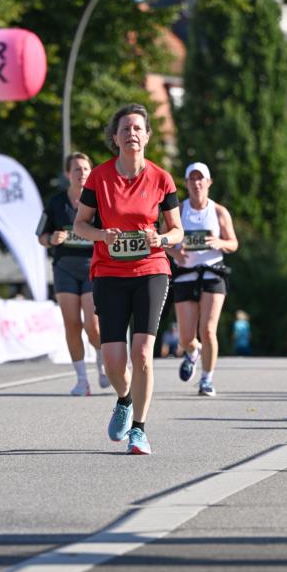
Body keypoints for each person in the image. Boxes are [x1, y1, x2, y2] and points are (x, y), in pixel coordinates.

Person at [73, 103, 183, 454]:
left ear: (147, 136)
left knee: (143, 353)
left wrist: (162, 240)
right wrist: (101, 235)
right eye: (125, 129)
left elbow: (177, 230)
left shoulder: (161, 179)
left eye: (138, 128)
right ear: (115, 139)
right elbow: (80, 224)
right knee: (114, 360)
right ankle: (123, 398)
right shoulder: (99, 178)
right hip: (108, 271)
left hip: (152, 268)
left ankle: (139, 428)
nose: (132, 134)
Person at [38, 153, 109, 395]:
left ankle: (102, 362)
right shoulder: (56, 202)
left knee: (93, 325)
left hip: (92, 267)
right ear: (68, 174)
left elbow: (109, 233)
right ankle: (82, 380)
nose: (82, 173)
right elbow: (41, 236)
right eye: (76, 169)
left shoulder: (99, 202)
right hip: (64, 268)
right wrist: (51, 238)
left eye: (86, 168)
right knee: (71, 325)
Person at [166, 162, 238, 396]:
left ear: (208, 182)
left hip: (212, 273)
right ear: (186, 183)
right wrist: (175, 252)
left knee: (208, 330)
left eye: (201, 179)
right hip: (185, 275)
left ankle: (206, 379)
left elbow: (233, 243)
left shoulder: (218, 212)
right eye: (192, 179)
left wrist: (220, 243)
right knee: (187, 337)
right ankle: (192, 352)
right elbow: (161, 240)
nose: (196, 183)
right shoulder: (177, 210)